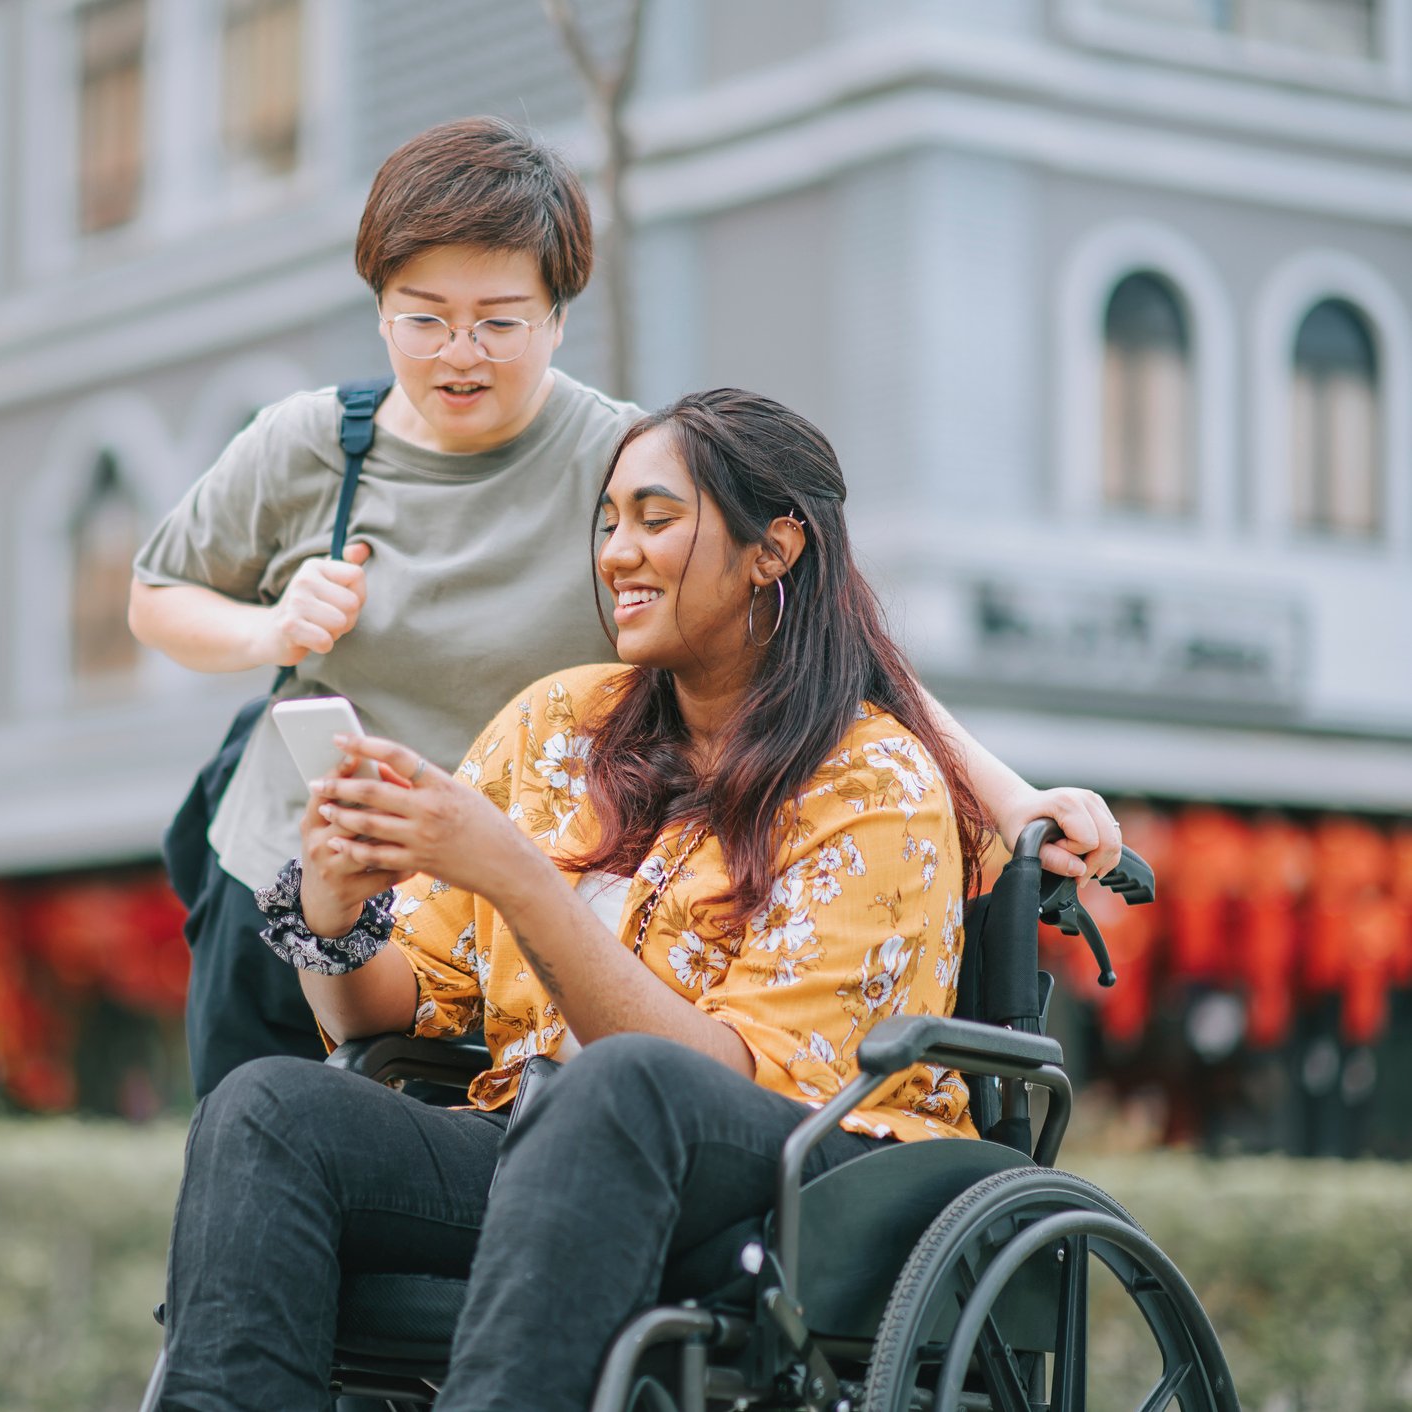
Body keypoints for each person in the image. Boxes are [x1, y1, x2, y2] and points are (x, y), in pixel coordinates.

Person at [131, 117, 1120, 1100]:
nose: (459, 353)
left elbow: (824, 640)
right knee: (251, 1139)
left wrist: (1011, 798)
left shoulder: (623, 469)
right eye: (422, 317)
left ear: (559, 317)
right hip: (300, 864)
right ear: (380, 310)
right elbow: (155, 595)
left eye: (500, 319)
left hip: (491, 902)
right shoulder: (308, 444)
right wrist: (273, 629)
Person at [157, 388, 1027, 1411]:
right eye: (607, 521)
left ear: (773, 548)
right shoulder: (552, 726)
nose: (617, 551)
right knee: (267, 1106)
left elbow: (732, 1079)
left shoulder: (870, 782)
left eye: (656, 519)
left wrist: (520, 878)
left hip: (802, 1175)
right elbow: (395, 1007)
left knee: (619, 1087)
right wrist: (334, 912)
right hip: (548, 1153)